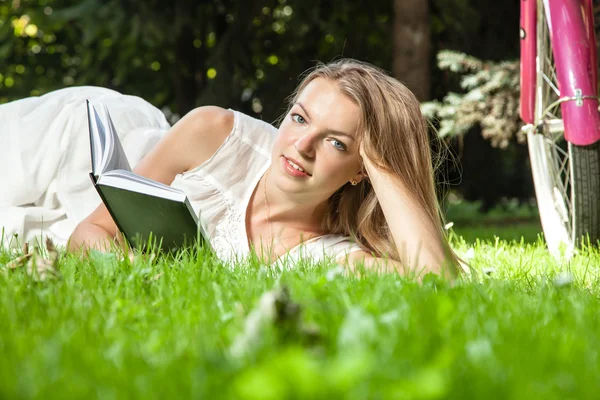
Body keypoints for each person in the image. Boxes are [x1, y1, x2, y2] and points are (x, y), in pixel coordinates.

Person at [66, 59, 463, 278]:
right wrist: (132, 269)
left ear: (362, 171)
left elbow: (438, 281)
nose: (301, 146)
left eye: (336, 142)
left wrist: (383, 163)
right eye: (300, 118)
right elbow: (90, 230)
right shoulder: (213, 133)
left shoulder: (334, 258)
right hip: (85, 142)